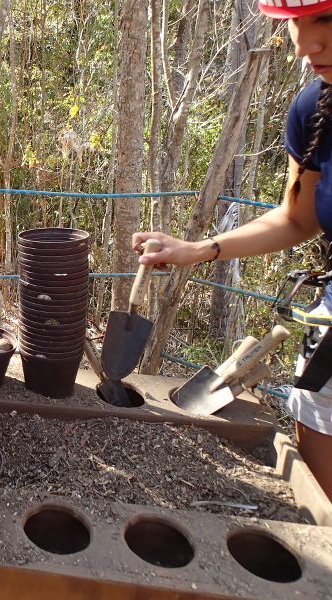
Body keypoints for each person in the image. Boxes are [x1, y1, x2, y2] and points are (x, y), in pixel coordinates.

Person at [132, 0, 332, 500]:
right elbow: (295, 218)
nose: (307, 45)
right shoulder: (315, 110)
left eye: (325, 21)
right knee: (318, 484)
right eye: (295, 25)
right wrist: (198, 249)